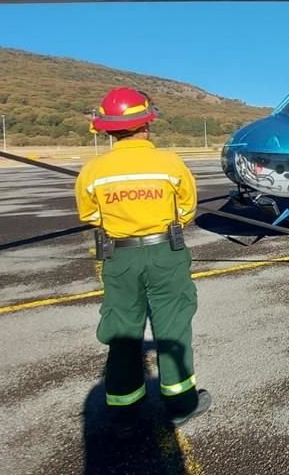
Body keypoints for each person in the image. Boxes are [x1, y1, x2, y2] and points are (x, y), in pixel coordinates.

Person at [74, 87, 211, 436]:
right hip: (165, 252)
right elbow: (186, 210)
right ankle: (181, 404)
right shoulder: (170, 163)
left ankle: (123, 410)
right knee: (173, 326)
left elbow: (89, 215)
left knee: (121, 330)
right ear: (146, 125)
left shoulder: (94, 171)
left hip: (119, 256)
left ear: (107, 129)